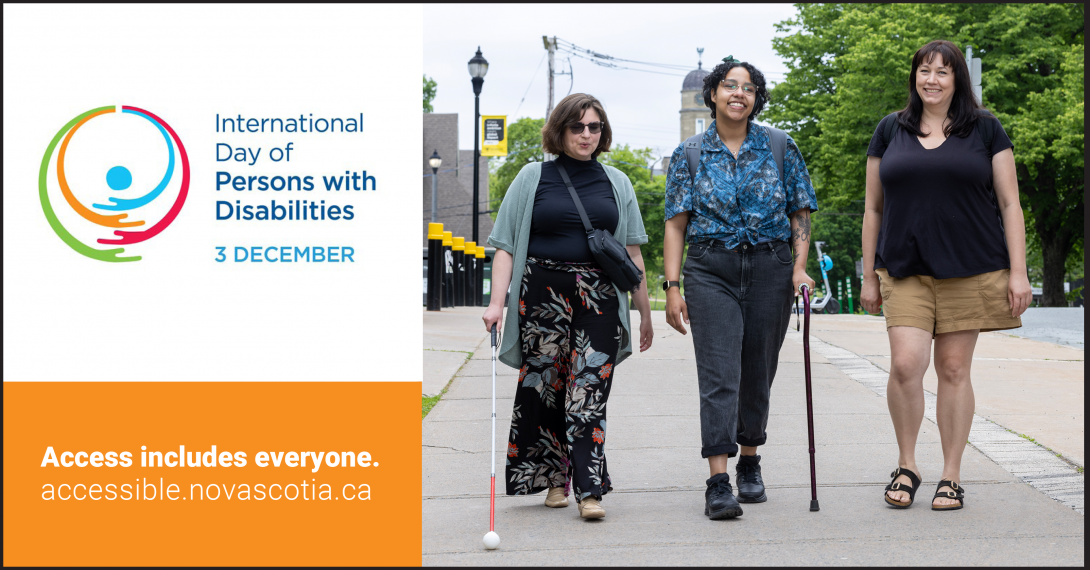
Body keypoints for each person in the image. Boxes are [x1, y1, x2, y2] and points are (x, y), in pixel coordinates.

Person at [860, 40, 1032, 511]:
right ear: (914, 76)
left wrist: (1019, 272)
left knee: (954, 370)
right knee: (904, 365)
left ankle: (951, 474)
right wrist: (868, 273)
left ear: (958, 79)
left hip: (971, 268)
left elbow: (1010, 204)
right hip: (904, 268)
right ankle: (907, 463)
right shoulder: (890, 130)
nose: (931, 79)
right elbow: (873, 207)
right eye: (924, 70)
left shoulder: (985, 129)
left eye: (942, 71)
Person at [482, 93, 653, 520]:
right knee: (545, 388)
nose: (586, 135)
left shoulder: (617, 182)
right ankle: (554, 479)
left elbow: (632, 254)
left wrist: (645, 311)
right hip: (541, 296)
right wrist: (496, 304)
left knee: (588, 391)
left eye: (594, 127)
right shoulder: (531, 177)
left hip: (598, 298)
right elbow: (504, 246)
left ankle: (589, 491)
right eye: (578, 127)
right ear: (560, 130)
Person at [662, 57, 818, 520]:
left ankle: (750, 462)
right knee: (718, 373)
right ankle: (718, 481)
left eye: (748, 88)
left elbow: (801, 212)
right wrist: (672, 286)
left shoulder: (779, 146)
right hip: (710, 267)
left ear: (756, 98)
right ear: (712, 94)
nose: (738, 93)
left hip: (771, 266)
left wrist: (799, 268)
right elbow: (675, 225)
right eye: (729, 85)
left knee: (758, 369)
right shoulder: (688, 153)